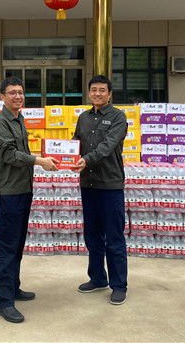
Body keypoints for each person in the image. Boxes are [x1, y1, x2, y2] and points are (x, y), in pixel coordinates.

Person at [0, 76, 59, 323]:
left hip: (23, 189)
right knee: (7, 246)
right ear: (2, 97)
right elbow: (9, 154)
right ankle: (3, 302)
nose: (18, 96)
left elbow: (23, 152)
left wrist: (42, 158)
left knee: (17, 244)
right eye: (12, 92)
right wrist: (39, 161)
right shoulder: (0, 123)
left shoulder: (19, 119)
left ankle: (13, 287)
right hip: (9, 192)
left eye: (20, 92)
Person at [72, 74, 129, 305]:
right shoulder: (83, 118)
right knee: (92, 235)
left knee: (114, 238)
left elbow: (107, 147)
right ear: (89, 93)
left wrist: (86, 159)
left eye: (102, 90)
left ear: (109, 94)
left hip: (110, 185)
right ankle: (97, 278)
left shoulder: (118, 117)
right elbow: (75, 143)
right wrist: (63, 156)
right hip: (88, 184)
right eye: (93, 89)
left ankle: (119, 285)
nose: (97, 93)